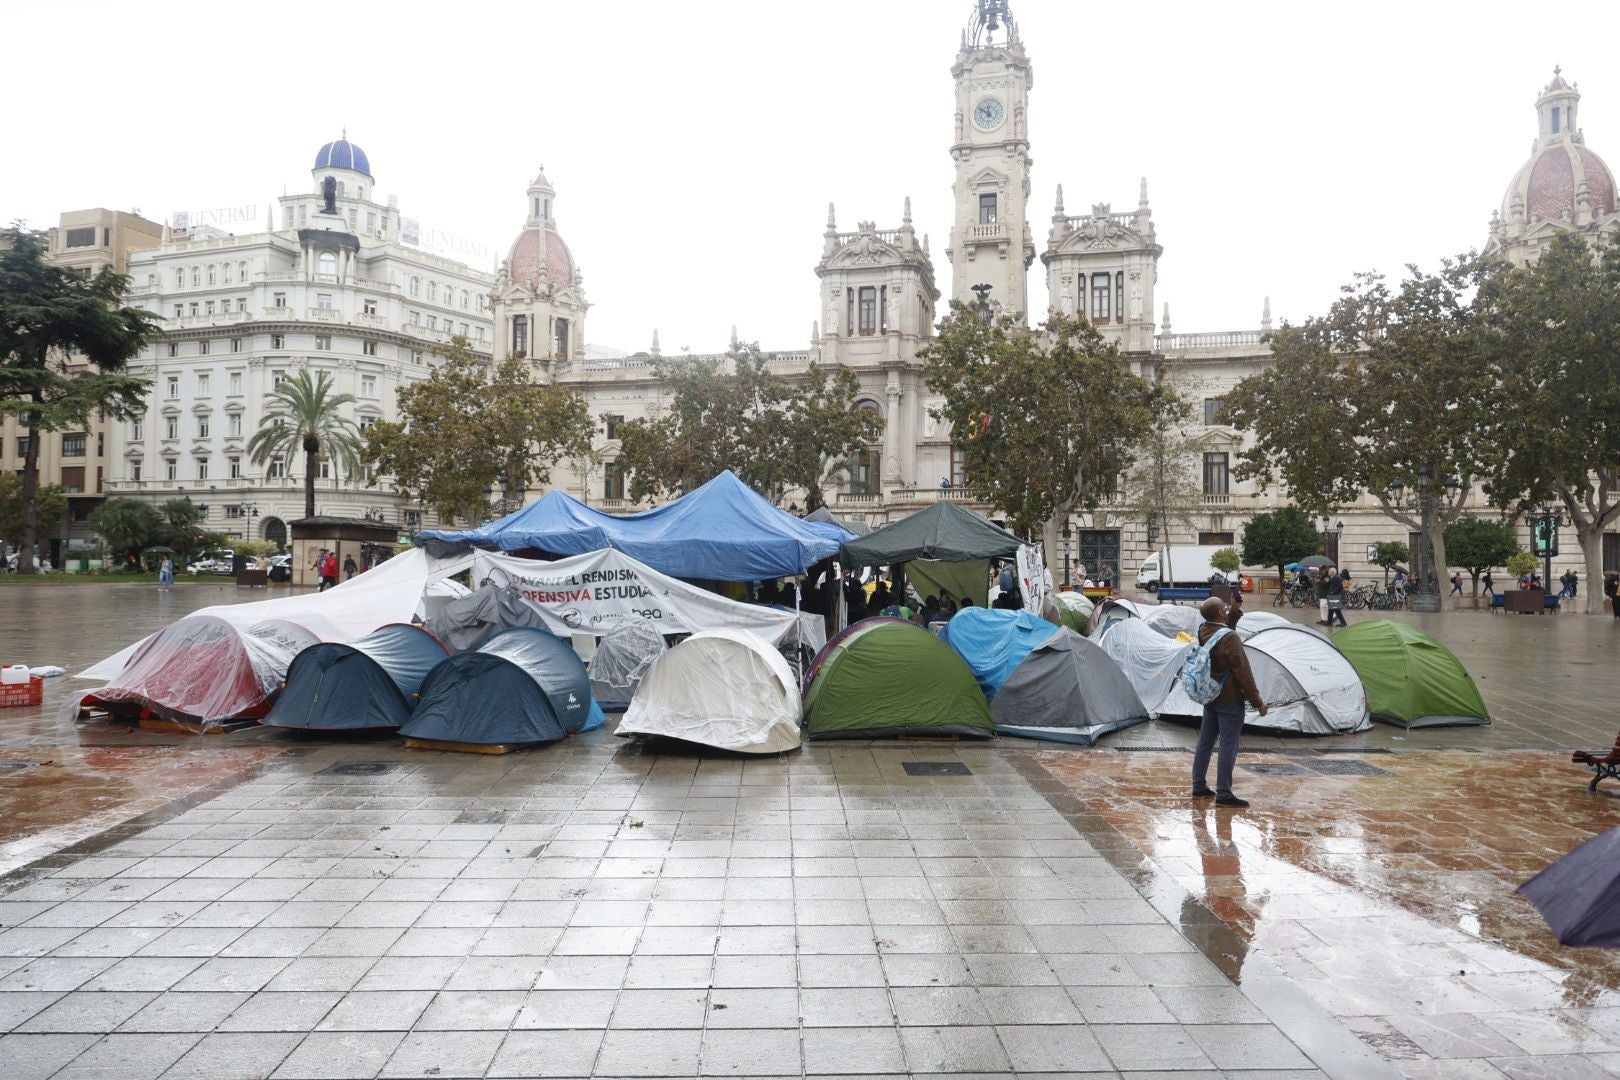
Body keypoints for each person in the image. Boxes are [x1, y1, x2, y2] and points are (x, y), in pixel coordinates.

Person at [1191, 596, 1267, 809]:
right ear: (1218, 614)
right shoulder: (1230, 639)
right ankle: (1224, 793)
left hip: (1211, 696)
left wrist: (1234, 611)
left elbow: (1223, 632)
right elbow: (1243, 672)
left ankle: (1198, 785)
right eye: (1223, 609)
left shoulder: (1203, 630)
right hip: (1230, 699)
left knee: (1205, 742)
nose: (1225, 610)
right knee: (1228, 745)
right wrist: (1257, 702)